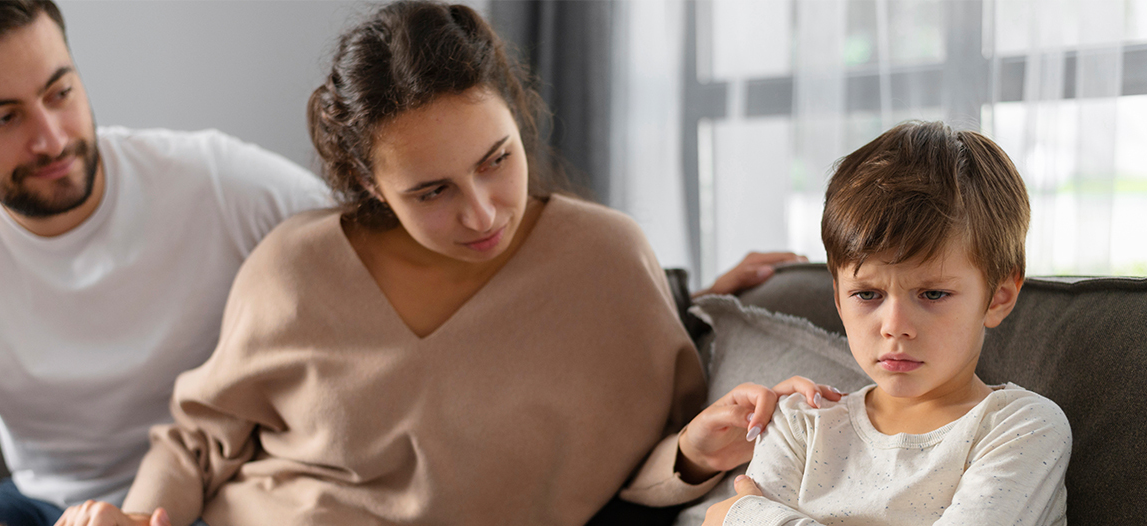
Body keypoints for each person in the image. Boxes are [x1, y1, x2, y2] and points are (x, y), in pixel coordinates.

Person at [52, 2, 838, 526]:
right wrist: (135, 518)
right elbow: (197, 440)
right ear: (367, 183)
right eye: (431, 191)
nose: (482, 211)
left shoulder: (607, 260)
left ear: (516, 115)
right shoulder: (295, 265)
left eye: (497, 159)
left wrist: (702, 449)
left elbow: (647, 457)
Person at [0, 1, 337, 524]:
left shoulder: (217, 184)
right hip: (45, 505)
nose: (52, 138)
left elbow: (384, 255)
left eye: (60, 92)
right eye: (4, 118)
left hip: (217, 494)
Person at [702, 121, 1071, 526]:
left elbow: (741, 517)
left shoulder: (1021, 429)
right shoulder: (799, 424)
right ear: (838, 298)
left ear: (998, 297)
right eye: (867, 295)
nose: (894, 327)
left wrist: (749, 518)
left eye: (932, 295)